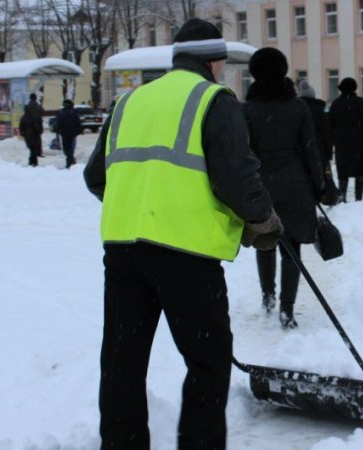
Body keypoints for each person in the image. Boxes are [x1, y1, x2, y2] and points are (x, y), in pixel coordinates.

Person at [83, 17, 280, 449]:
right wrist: (263, 220)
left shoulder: (129, 102)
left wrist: (140, 204)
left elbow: (96, 177)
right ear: (212, 62)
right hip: (185, 257)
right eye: (223, 64)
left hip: (122, 253)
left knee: (122, 360)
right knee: (208, 360)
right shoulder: (214, 99)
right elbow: (237, 176)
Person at [244, 49, 324, 329]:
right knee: (292, 248)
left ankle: (268, 296)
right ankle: (287, 309)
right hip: (295, 185)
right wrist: (319, 185)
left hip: (261, 186)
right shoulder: (298, 107)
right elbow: (311, 150)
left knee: (265, 243)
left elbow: (243, 153)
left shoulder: (248, 109)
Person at [329, 77, 363, 202]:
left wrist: (331, 141)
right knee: (360, 171)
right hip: (360, 144)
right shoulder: (360, 102)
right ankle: (358, 197)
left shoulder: (336, 104)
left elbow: (330, 124)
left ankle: (342, 196)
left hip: (342, 144)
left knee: (343, 171)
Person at [298, 79, 337, 205]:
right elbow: (326, 133)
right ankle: (327, 196)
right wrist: (329, 153)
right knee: (323, 174)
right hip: (319, 148)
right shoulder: (319, 110)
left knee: (305, 173)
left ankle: (309, 197)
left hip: (302, 149)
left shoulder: (296, 110)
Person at [54, 99, 82, 168]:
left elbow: (58, 123)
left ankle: (69, 161)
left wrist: (58, 131)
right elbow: (78, 123)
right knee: (71, 148)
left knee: (66, 149)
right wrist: (78, 131)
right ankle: (71, 159)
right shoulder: (74, 112)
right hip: (72, 133)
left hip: (65, 133)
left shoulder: (61, 112)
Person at [18, 94, 44, 166]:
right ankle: (33, 160)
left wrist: (22, 132)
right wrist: (40, 130)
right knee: (34, 147)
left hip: (28, 133)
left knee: (31, 147)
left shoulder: (26, 113)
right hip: (36, 132)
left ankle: (32, 161)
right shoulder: (38, 107)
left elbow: (21, 124)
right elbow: (42, 114)